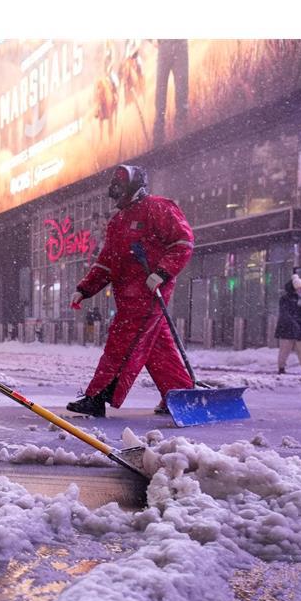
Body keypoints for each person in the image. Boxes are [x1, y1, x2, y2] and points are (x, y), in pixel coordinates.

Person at [67, 165, 194, 417]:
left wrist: (162, 273)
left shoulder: (158, 208)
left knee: (123, 341)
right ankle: (180, 395)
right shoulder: (118, 221)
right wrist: (85, 288)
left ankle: (97, 396)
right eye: (113, 188)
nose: (115, 193)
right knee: (156, 347)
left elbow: (183, 242)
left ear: (135, 187)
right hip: (127, 295)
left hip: (148, 292)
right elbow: (106, 262)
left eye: (119, 187)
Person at [274, 274, 301, 374]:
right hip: (287, 328)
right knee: (285, 349)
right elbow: (285, 313)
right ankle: (281, 368)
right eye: (299, 288)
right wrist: (293, 323)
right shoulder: (285, 299)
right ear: (293, 289)